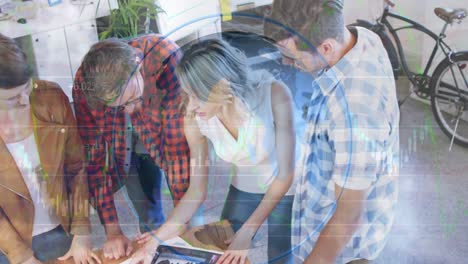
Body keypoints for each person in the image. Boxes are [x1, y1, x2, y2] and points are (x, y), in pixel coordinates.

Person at [135, 38, 300, 264]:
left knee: (279, 253)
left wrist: (247, 232)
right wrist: (155, 239)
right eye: (187, 95)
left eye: (197, 95)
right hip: (246, 180)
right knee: (222, 249)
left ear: (222, 87)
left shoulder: (275, 95)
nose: (190, 106)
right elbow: (195, 192)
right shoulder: (194, 119)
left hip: (287, 181)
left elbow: (285, 175)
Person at [265, 0, 400, 263]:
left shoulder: (354, 111)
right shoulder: (363, 37)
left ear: (326, 47)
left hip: (343, 251)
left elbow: (349, 212)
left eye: (291, 56)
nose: (286, 63)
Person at [72, 36, 190, 260]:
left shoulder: (166, 60)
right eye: (119, 107)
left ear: (138, 63)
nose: (129, 111)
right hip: (121, 142)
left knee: (191, 223)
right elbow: (95, 160)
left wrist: (180, 225)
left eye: (134, 99)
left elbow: (178, 154)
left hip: (166, 129)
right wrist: (113, 231)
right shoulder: (84, 84)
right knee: (148, 216)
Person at [0, 34, 99, 264]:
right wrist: (19, 255)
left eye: (27, 87)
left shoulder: (50, 97)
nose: (25, 100)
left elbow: (77, 169)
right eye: (12, 98)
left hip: (61, 227)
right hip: (7, 242)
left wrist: (82, 228)